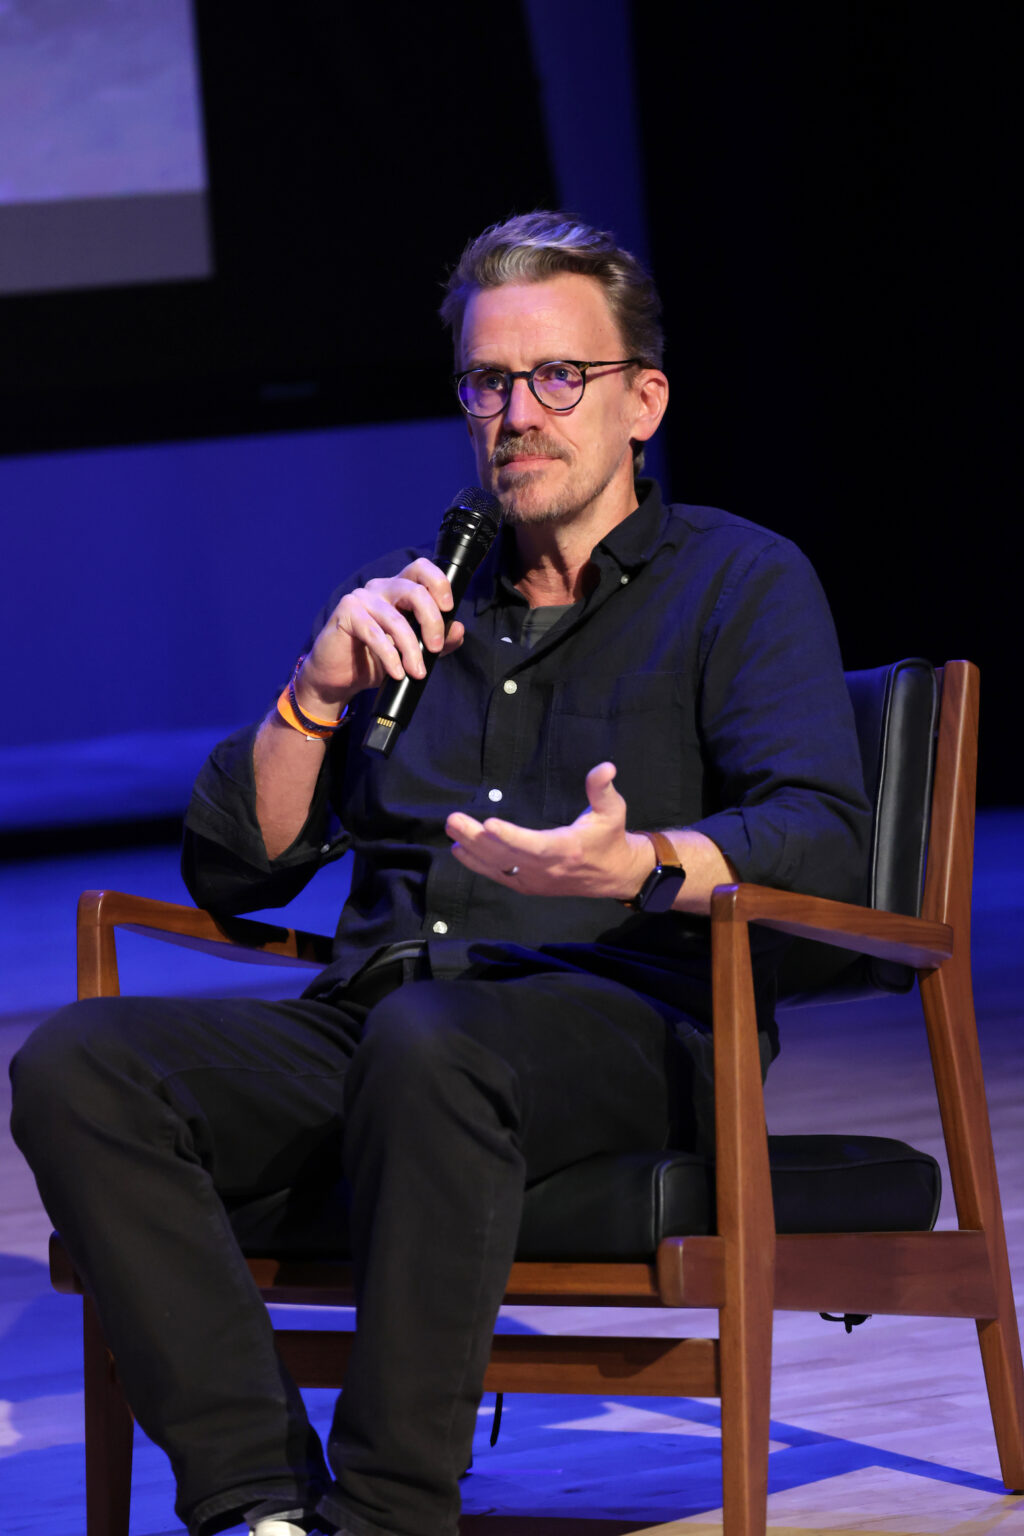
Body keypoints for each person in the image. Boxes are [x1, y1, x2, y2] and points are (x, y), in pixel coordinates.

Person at [10, 211, 870, 1536]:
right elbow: (238, 871)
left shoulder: (739, 586)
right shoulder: (422, 608)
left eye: (556, 378)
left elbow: (820, 837)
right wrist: (314, 691)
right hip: (386, 1019)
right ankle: (259, 1506)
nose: (516, 413)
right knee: (81, 1066)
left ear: (642, 400)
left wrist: (636, 862)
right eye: (487, 381)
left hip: (627, 1015)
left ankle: (390, 1513)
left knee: (434, 1041)